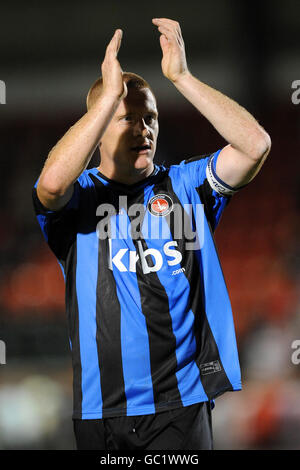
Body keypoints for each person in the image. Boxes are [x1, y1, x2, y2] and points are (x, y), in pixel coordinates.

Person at [32, 18, 271, 450]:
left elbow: (255, 145)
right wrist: (105, 102)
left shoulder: (187, 185)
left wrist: (181, 77)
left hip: (180, 408)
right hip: (100, 410)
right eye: (128, 118)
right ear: (99, 124)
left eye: (151, 118)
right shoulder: (78, 198)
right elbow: (49, 185)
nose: (145, 129)